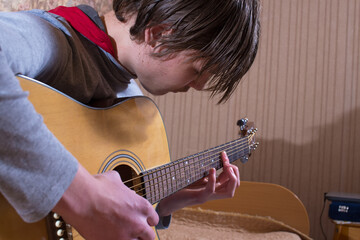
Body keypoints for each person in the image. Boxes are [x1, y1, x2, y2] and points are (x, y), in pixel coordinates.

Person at [0, 0, 260, 239]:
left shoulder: (131, 98)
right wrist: (82, 196)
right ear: (158, 35)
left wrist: (171, 200)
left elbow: (107, 211)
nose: (201, 86)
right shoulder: (52, 38)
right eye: (198, 70)